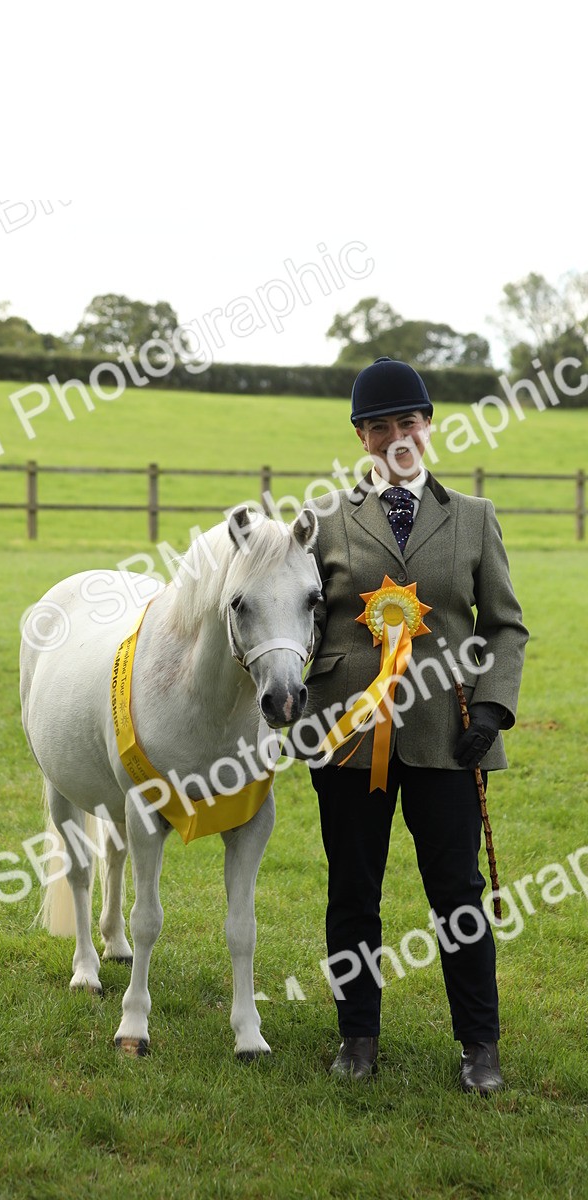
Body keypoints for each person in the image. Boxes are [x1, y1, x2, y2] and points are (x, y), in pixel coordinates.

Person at [304, 356, 529, 1094]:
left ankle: (480, 1047)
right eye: (379, 426)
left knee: (458, 895)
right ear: (362, 438)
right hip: (347, 739)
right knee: (353, 891)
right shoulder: (325, 522)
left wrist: (491, 707)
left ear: (428, 427)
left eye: (408, 421)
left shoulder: (474, 518)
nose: (395, 436)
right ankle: (357, 1039)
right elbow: (298, 625)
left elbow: (502, 625)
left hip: (448, 730)